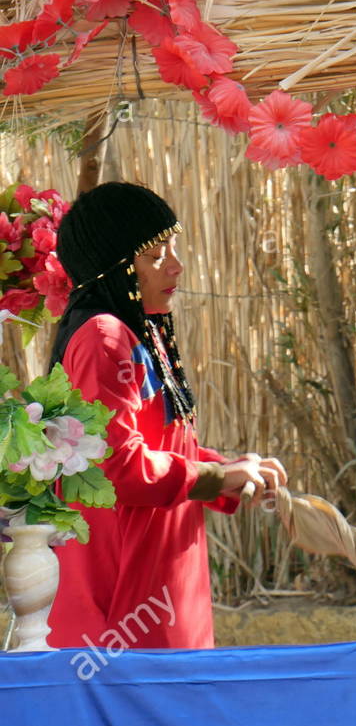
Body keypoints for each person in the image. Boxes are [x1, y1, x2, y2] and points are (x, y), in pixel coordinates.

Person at [45, 181, 287, 650]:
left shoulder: (140, 332)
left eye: (173, 249)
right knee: (141, 696)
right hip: (125, 597)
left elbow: (163, 446)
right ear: (114, 266)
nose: (175, 266)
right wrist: (215, 478)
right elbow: (118, 467)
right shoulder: (103, 338)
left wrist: (231, 472)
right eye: (155, 256)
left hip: (165, 578)